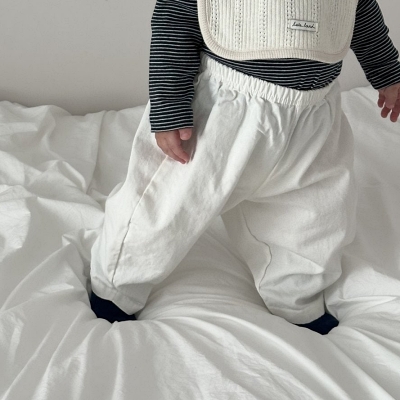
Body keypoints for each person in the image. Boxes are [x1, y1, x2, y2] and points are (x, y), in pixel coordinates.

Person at [90, 0, 400, 334]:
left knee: (314, 216)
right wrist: (170, 105)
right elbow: (176, 17)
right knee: (167, 204)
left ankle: (295, 293)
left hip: (314, 116)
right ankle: (117, 284)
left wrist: (387, 73)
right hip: (224, 111)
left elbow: (359, 11)